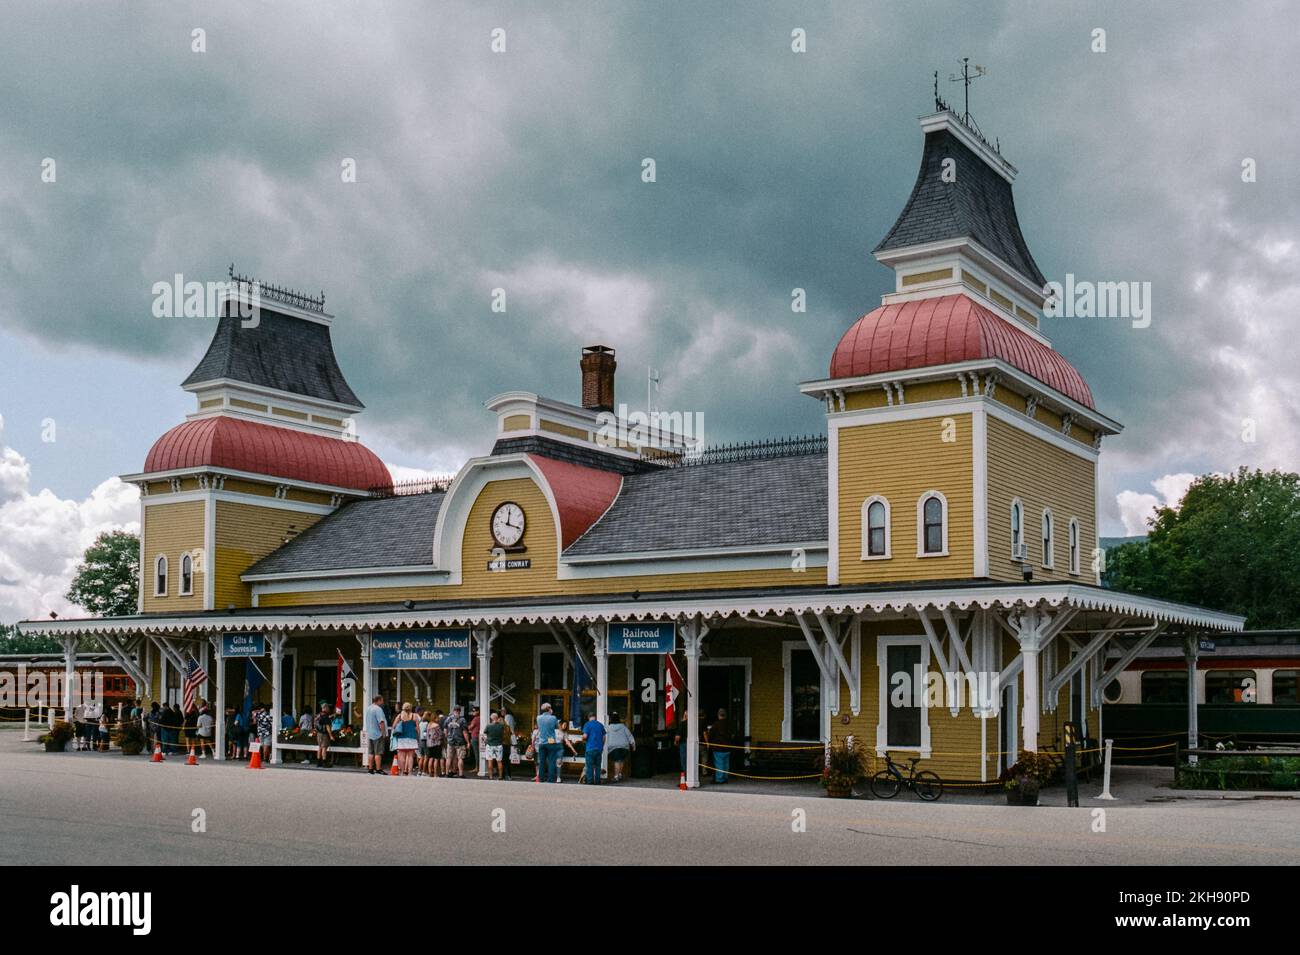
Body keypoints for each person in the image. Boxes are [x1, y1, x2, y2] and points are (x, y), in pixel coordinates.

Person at [605, 712, 635, 783]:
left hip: (614, 747)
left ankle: (616, 776)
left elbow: (605, 737)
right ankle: (620, 774)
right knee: (621, 760)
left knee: (617, 761)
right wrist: (633, 745)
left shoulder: (608, 727)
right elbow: (629, 736)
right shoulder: (623, 727)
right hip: (624, 747)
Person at [706, 708, 733, 784]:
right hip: (728, 747)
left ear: (718, 715)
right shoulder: (729, 724)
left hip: (718, 747)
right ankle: (725, 777)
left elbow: (711, 734)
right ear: (726, 715)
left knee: (719, 763)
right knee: (726, 763)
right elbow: (732, 734)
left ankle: (719, 779)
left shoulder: (716, 724)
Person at [535, 703, 560, 784]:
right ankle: (551, 779)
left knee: (542, 761)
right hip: (550, 740)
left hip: (541, 741)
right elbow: (557, 726)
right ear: (549, 709)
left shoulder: (538, 718)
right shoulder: (553, 718)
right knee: (552, 760)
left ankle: (541, 778)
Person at [392, 702, 420, 775]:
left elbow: (394, 726)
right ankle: (410, 772)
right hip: (412, 737)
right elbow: (417, 728)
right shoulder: (414, 716)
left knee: (402, 756)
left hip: (402, 738)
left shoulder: (400, 716)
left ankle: (402, 771)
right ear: (411, 708)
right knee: (410, 756)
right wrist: (418, 737)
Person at [364, 694, 387, 775]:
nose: (383, 702)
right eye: (382, 700)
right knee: (378, 752)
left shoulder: (368, 708)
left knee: (371, 752)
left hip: (370, 733)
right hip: (377, 733)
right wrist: (383, 733)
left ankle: (370, 769)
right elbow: (381, 722)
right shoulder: (378, 709)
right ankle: (378, 769)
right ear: (379, 700)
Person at [581, 712, 606, 784]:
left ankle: (590, 782)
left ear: (589, 717)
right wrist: (602, 746)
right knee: (598, 766)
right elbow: (604, 737)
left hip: (590, 748)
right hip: (599, 749)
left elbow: (585, 736)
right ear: (595, 717)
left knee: (589, 766)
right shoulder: (600, 725)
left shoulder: (587, 724)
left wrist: (582, 738)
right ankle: (598, 782)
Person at [443, 706, 468, 778]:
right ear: (460, 711)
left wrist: (447, 737)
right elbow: (465, 732)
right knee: (460, 758)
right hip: (460, 741)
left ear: (453, 711)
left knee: (449, 758)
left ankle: (447, 773)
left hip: (450, 741)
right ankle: (460, 774)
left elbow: (445, 730)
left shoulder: (448, 719)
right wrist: (468, 742)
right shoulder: (462, 720)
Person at [482, 711, 506, 780]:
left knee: (490, 761)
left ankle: (491, 776)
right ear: (497, 718)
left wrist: (486, 740)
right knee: (499, 761)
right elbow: (503, 734)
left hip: (490, 745)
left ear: (491, 718)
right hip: (499, 745)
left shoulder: (488, 726)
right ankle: (500, 776)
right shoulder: (501, 726)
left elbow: (484, 734)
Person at [425, 708, 445, 777]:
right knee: (436, 759)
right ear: (435, 718)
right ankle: (436, 774)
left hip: (429, 744)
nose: (438, 719)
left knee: (430, 758)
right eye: (437, 718)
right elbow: (441, 735)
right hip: (436, 744)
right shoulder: (436, 726)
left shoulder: (428, 725)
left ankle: (430, 773)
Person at [315, 703, 334, 768]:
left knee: (320, 747)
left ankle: (318, 762)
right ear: (325, 708)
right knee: (324, 748)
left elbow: (314, 722)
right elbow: (327, 727)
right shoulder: (325, 716)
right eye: (328, 707)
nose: (329, 709)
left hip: (318, 733)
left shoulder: (318, 715)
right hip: (324, 734)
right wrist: (331, 735)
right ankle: (324, 763)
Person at [501, 706, 515, 780]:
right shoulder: (509, 717)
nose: (501, 711)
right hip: (508, 741)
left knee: (505, 759)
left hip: (507, 742)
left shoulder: (508, 717)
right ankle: (507, 775)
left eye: (503, 710)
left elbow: (510, 728)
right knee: (506, 759)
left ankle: (506, 775)